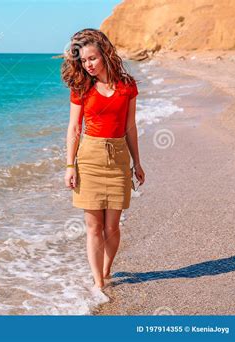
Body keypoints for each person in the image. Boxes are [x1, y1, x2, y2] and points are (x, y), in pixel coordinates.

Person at [61, 28, 146, 291]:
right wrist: (69, 165)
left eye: (92, 58)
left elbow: (130, 126)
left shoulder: (126, 85)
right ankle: (98, 283)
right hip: (89, 158)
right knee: (93, 226)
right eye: (83, 61)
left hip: (119, 156)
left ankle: (107, 269)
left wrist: (137, 163)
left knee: (112, 227)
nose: (88, 65)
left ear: (105, 54)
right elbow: (74, 128)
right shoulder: (81, 87)